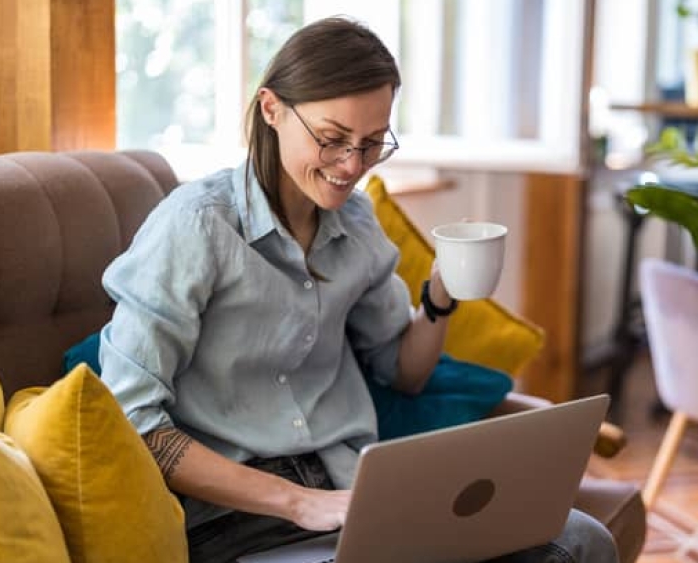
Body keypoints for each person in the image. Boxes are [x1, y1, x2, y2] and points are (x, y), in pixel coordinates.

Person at [99, 16, 618, 563]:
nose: (352, 167)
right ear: (271, 109)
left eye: (372, 145)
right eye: (332, 140)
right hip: (236, 519)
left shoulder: (358, 225)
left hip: (357, 489)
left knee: (582, 541)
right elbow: (131, 416)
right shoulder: (196, 227)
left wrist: (441, 294)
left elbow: (404, 371)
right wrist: (299, 503)